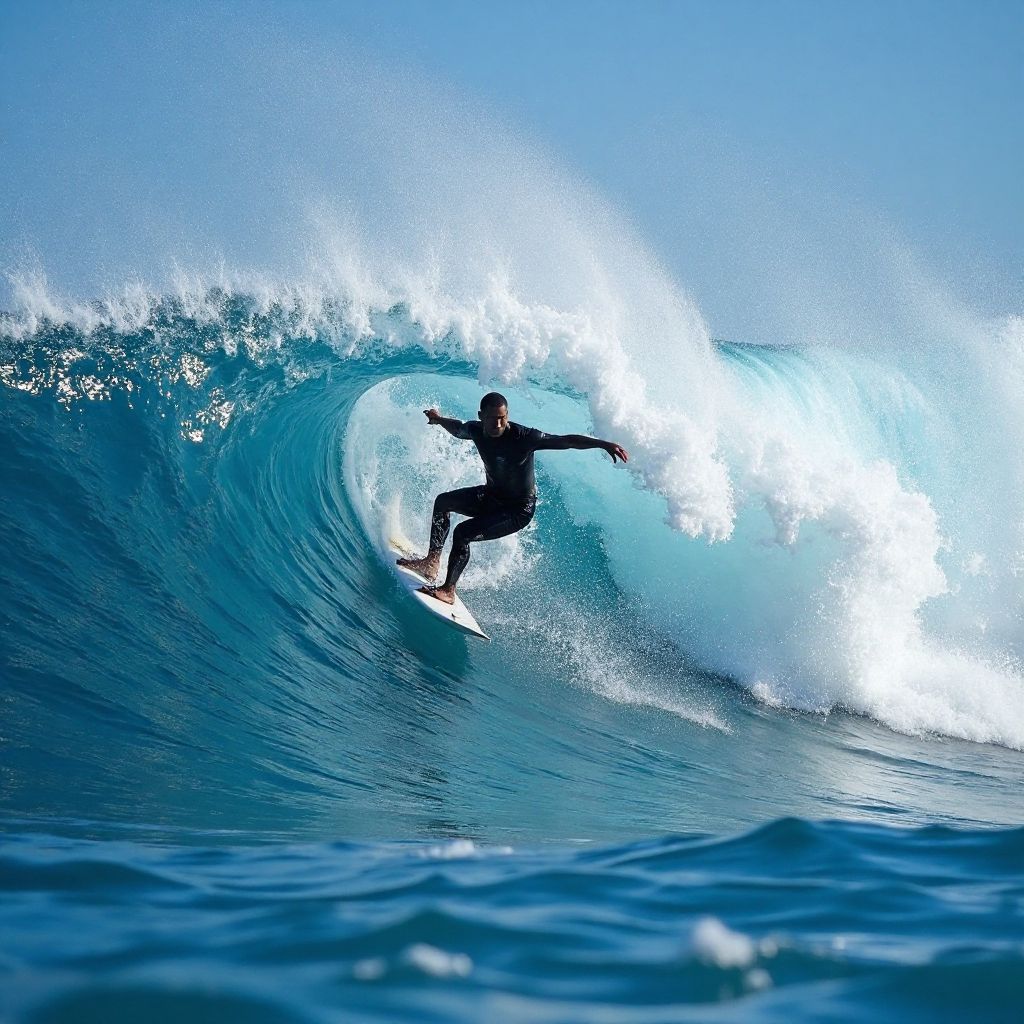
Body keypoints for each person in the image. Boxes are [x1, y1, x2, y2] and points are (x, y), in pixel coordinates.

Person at [397, 392, 629, 605]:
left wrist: (603, 444)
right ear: (481, 417)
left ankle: (448, 590)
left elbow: (566, 441)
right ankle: (431, 562)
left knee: (462, 533)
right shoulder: (476, 430)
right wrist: (438, 419)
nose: (498, 424)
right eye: (492, 419)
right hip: (492, 496)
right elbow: (458, 429)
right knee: (443, 502)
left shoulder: (526, 437)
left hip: (518, 510)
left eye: (503, 418)